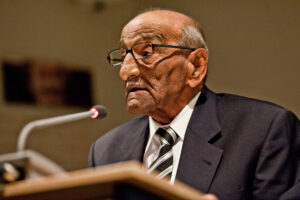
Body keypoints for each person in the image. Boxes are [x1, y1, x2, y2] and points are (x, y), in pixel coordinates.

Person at [89, 9, 299, 200]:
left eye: (146, 53)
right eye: (124, 56)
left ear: (196, 66)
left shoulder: (264, 130)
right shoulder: (106, 151)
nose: (126, 72)